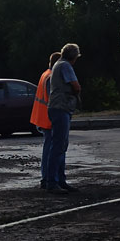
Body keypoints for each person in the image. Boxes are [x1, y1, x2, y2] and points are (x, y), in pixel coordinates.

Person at [46, 43, 82, 194]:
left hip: (57, 107)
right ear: (73, 57)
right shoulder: (66, 66)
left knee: (60, 146)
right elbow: (76, 86)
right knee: (59, 146)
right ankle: (53, 182)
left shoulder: (57, 65)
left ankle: (59, 180)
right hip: (61, 108)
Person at [29, 51, 61, 189]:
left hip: (43, 117)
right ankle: (48, 178)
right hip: (50, 118)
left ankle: (46, 178)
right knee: (51, 149)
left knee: (48, 148)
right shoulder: (51, 76)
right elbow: (52, 98)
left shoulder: (45, 74)